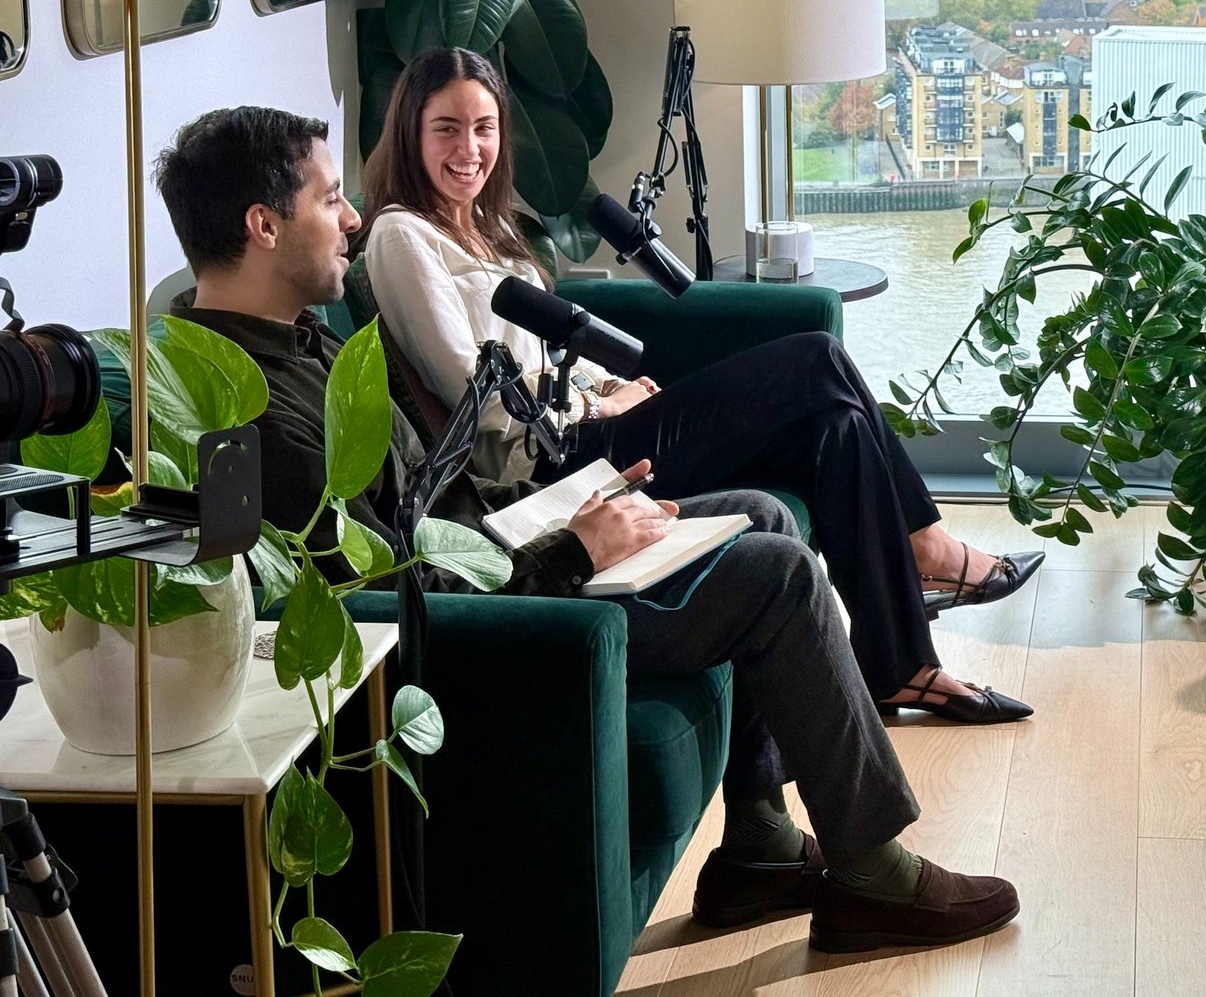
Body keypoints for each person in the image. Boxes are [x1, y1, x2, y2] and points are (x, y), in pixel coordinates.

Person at [152, 107, 1019, 952]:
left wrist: (573, 512)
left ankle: (758, 844)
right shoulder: (250, 417)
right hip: (507, 627)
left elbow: (432, 510)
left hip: (505, 550)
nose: (349, 218)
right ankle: (873, 874)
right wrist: (578, 547)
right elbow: (387, 601)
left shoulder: (295, 343)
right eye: (328, 199)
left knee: (754, 513)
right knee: (778, 574)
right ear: (264, 225)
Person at [356, 49, 1039, 723]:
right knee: (815, 359)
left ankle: (901, 669)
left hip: (579, 428)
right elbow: (482, 394)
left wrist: (613, 380)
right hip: (546, 465)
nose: (469, 149)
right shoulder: (402, 236)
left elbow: (544, 342)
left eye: (484, 128)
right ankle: (930, 551)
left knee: (835, 428)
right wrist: (602, 400)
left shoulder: (484, 225)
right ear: (411, 132)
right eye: (447, 128)